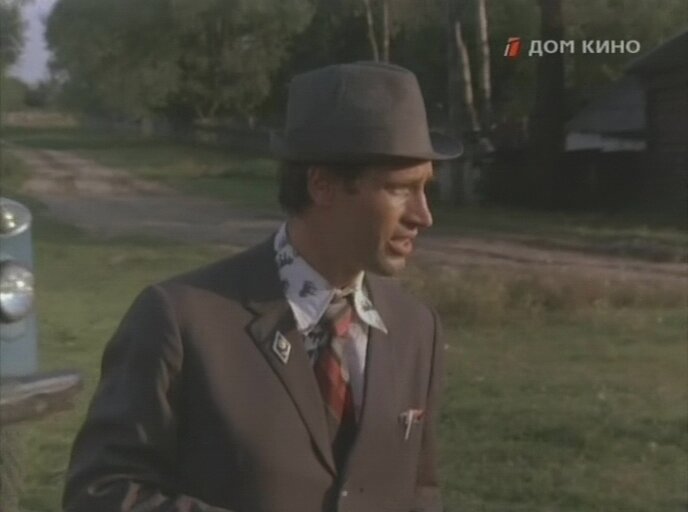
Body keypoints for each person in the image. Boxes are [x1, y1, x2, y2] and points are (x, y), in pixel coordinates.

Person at [62, 61, 461, 512]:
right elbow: (101, 493)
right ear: (322, 185)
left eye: (425, 188)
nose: (424, 215)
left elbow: (420, 492)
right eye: (400, 189)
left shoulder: (417, 329)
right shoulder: (180, 321)